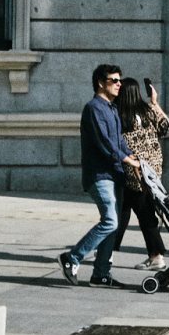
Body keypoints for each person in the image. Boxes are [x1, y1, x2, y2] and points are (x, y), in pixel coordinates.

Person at [59, 64, 138, 287]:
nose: (119, 84)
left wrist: (133, 156)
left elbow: (120, 141)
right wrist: (126, 159)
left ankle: (101, 273)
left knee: (114, 224)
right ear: (101, 83)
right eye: (114, 80)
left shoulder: (112, 109)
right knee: (110, 221)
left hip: (116, 174)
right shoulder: (93, 108)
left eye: (119, 80)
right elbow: (105, 142)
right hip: (100, 174)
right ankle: (71, 257)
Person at [109, 77, 169, 271]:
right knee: (123, 210)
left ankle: (156, 256)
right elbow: (166, 125)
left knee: (143, 214)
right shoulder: (147, 112)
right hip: (151, 171)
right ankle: (109, 250)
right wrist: (154, 102)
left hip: (133, 171)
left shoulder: (118, 115)